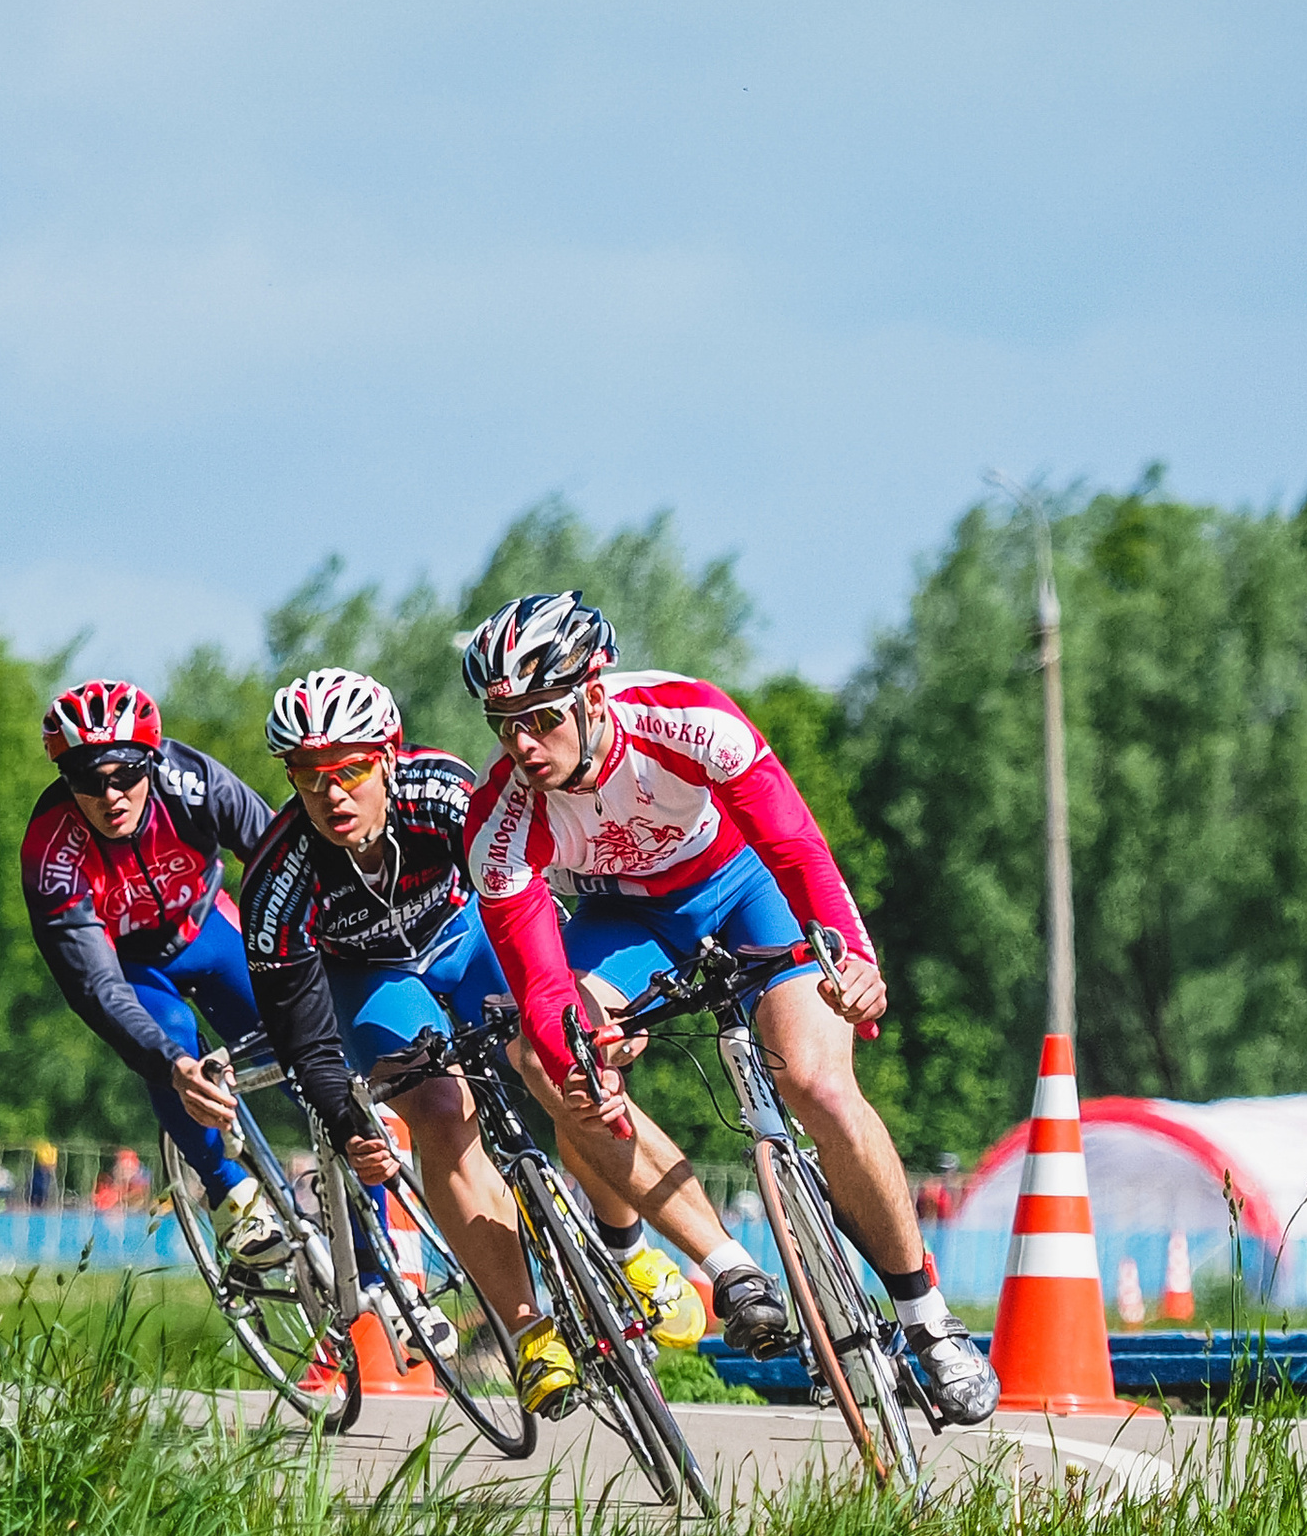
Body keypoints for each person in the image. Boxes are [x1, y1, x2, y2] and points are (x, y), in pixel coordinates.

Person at [460, 590, 999, 1425]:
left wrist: (855, 963)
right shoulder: (499, 821)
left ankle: (929, 1322)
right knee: (547, 1062)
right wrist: (581, 1062)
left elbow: (797, 850)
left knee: (818, 1084)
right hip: (624, 921)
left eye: (541, 719)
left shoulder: (687, 718)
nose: (523, 745)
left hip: (742, 888)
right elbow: (543, 985)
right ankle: (725, 1269)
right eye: (504, 726)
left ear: (594, 695)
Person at [194, 668, 678, 1420]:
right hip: (372, 976)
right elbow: (305, 1043)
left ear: (388, 758)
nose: (331, 792)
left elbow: (524, 886)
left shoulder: (442, 792)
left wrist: (572, 1006)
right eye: (308, 775)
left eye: (350, 770)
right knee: (440, 1112)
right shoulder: (278, 879)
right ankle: (530, 1335)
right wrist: (351, 1127)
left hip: (469, 933)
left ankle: (626, 1245)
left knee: (563, 1058)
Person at [20, 679, 284, 1263]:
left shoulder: (192, 782)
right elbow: (97, 987)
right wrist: (173, 1066)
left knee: (306, 1042)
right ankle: (229, 1195)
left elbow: (281, 859)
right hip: (130, 966)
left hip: (209, 929)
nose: (111, 796)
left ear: (151, 760)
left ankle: (376, 1256)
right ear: (66, 780)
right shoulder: (51, 850)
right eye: (89, 780)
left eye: (126, 775)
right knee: (171, 1043)